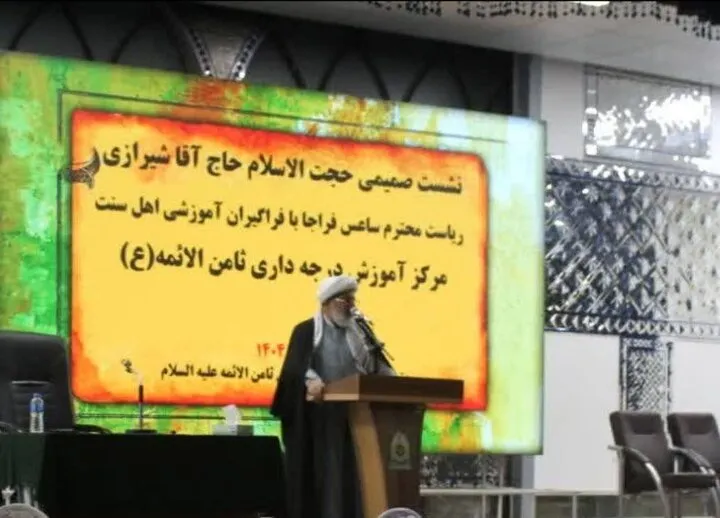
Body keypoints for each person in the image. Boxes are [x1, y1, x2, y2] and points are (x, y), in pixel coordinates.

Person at [271, 275, 395, 518]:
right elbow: (294, 369)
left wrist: (394, 382)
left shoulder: (360, 333)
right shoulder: (306, 331)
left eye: (352, 299)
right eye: (344, 300)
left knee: (353, 481)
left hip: (356, 420)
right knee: (326, 480)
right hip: (319, 422)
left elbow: (378, 367)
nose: (350, 305)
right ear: (327, 302)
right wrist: (311, 380)